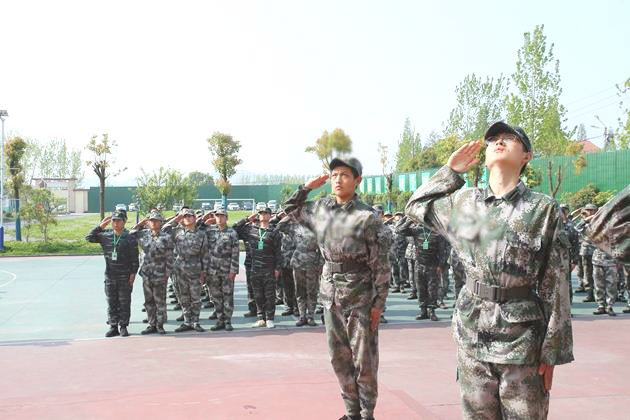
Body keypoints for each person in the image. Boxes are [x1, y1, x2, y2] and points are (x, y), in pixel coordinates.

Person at [405, 121, 573, 419]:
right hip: (472, 332)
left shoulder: (543, 209)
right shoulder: (463, 203)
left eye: (509, 138)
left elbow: (556, 282)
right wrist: (450, 171)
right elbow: (415, 206)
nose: (499, 142)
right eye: (493, 139)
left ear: (527, 156)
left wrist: (552, 351)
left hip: (522, 340)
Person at [282, 156, 390, 420]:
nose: (338, 180)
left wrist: (378, 304)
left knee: (363, 359)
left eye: (344, 175)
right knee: (338, 357)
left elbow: (381, 265)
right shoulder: (322, 209)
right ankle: (351, 413)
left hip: (359, 294)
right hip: (330, 293)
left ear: (357, 180)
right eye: (334, 175)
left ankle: (367, 414)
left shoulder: (367, 217)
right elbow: (290, 208)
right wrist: (307, 188)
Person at [86, 209, 139, 337]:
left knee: (124, 302)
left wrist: (133, 274)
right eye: (114, 220)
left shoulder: (129, 238)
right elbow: (89, 238)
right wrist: (100, 227)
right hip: (110, 275)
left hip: (125, 276)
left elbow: (135, 259)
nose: (116, 223)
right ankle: (113, 326)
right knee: (111, 302)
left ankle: (123, 326)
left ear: (124, 222)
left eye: (119, 221)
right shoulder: (106, 236)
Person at [162, 208, 210, 333]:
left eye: (189, 216)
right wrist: (177, 218)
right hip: (180, 269)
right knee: (183, 297)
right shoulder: (176, 232)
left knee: (195, 297)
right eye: (185, 216)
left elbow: (205, 253)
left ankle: (195, 322)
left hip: (195, 269)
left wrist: (204, 272)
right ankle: (187, 321)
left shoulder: (201, 234)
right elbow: (164, 229)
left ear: (194, 218)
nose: (187, 218)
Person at [233, 207, 282, 328]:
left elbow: (278, 252)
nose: (263, 215)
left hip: (269, 268)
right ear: (258, 216)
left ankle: (269, 318)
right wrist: (247, 219)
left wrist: (277, 268)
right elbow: (235, 229)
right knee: (258, 295)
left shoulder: (274, 232)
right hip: (255, 268)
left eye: (266, 213)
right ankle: (261, 318)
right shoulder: (251, 230)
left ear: (270, 216)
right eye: (261, 213)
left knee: (270, 295)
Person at [129, 210, 174, 335]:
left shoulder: (166, 237)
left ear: (160, 222)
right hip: (146, 273)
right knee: (149, 301)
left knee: (160, 301)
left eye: (156, 221)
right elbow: (130, 234)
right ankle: (151, 324)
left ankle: (160, 325)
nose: (154, 223)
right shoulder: (143, 234)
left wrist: (167, 274)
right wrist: (140, 224)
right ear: (148, 222)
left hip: (160, 274)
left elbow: (170, 257)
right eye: (151, 220)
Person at [204, 208, 240, 331]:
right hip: (212, 270)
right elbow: (196, 228)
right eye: (217, 216)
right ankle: (220, 320)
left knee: (228, 296)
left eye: (222, 216)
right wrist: (206, 221)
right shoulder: (209, 231)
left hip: (226, 270)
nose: (220, 218)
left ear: (227, 218)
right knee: (216, 296)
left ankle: (228, 321)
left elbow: (235, 253)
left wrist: (233, 270)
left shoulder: (232, 233)